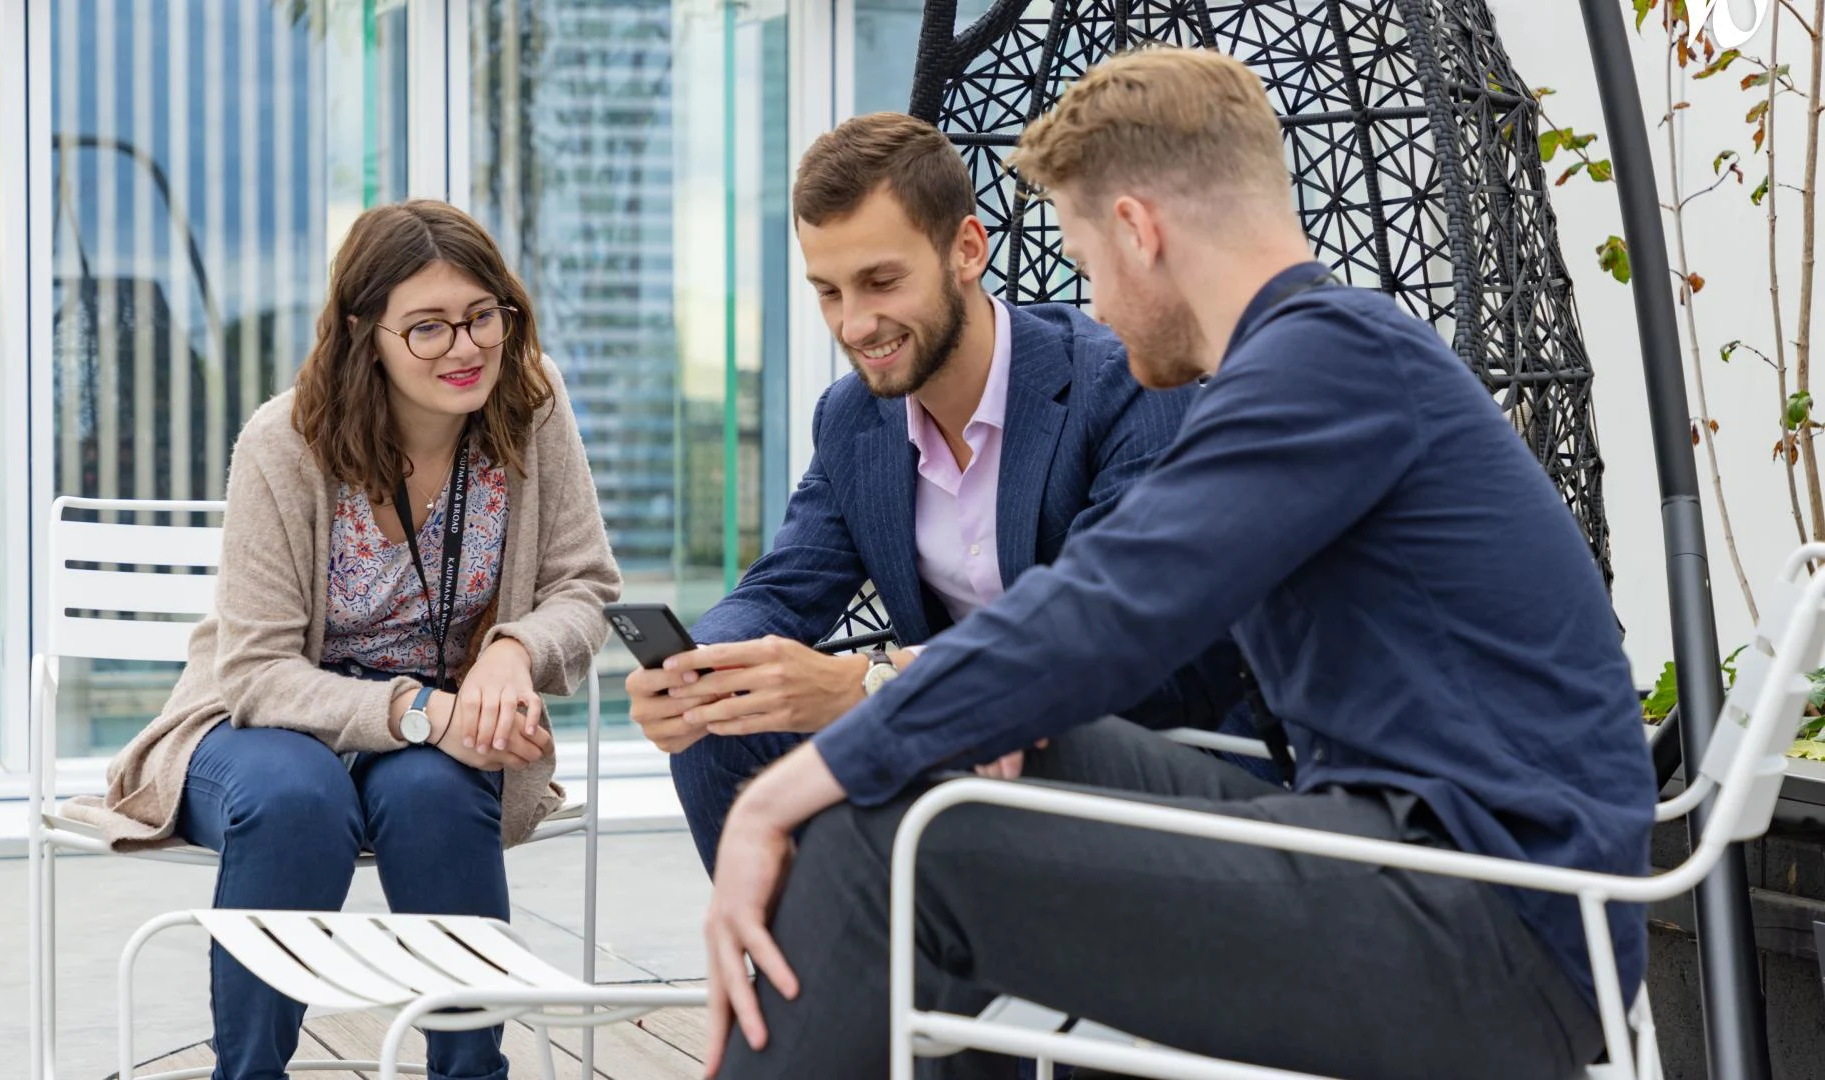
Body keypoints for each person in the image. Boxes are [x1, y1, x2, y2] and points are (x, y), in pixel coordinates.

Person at [697, 47, 1656, 1080]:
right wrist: (964, 711)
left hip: (1493, 932)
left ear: (1138, 231)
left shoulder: (1325, 363)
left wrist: (774, 794)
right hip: (1395, 858)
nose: (1092, 304)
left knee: (893, 848)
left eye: (1084, 260)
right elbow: (1098, 602)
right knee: (935, 781)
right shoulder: (1313, 358)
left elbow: (1114, 609)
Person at [626, 112, 1269, 875]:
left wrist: (873, 683)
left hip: (1136, 749)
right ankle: (800, 985)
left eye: (881, 281)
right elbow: (784, 586)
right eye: (827, 291)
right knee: (724, 729)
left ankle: (874, 976)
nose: (855, 324)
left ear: (967, 249)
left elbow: (1137, 653)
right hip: (967, 756)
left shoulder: (1121, 385)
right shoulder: (852, 417)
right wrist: (704, 669)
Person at [65, 200, 620, 1080]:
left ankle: (472, 1073)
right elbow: (254, 675)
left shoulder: (531, 409)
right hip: (264, 727)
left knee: (441, 796)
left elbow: (583, 585)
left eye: (483, 316)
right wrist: (421, 712)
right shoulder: (286, 442)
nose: (465, 348)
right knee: (298, 802)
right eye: (428, 327)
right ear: (365, 333)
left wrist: (513, 650)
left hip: (435, 729)